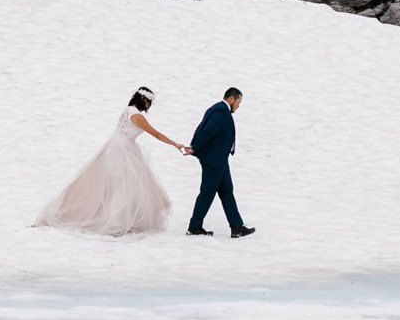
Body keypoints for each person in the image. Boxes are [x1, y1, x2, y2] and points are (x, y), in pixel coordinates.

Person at [35, 88, 187, 236]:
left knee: (123, 185)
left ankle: (120, 220)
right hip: (122, 149)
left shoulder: (127, 111)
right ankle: (116, 223)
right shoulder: (137, 116)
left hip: (117, 146)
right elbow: (155, 133)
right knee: (125, 186)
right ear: (144, 100)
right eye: (149, 103)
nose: (149, 107)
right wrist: (174, 144)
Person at [184, 88, 255, 238]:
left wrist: (195, 147)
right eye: (238, 102)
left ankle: (236, 226)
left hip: (220, 160)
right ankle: (194, 226)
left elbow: (201, 128)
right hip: (214, 161)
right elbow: (207, 130)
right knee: (207, 193)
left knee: (226, 191)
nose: (238, 106)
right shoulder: (222, 112)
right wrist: (195, 147)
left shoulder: (217, 109)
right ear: (231, 99)